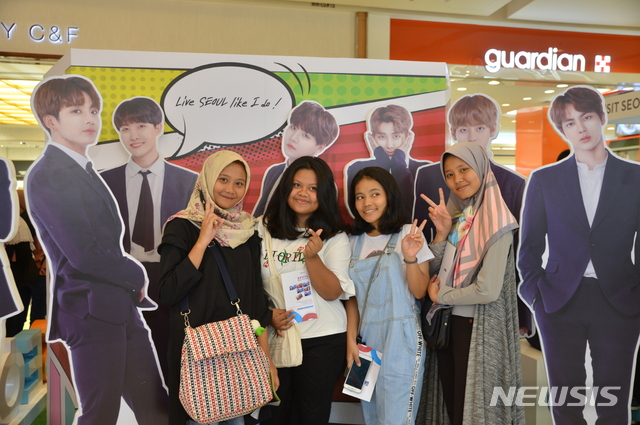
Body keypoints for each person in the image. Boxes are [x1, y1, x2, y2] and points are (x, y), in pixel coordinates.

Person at [25, 75, 168, 424]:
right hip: (89, 309)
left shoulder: (83, 169)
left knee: (156, 409)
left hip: (116, 305)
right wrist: (137, 273)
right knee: (101, 413)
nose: (90, 118)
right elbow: (84, 253)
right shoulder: (49, 173)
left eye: (93, 110)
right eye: (76, 110)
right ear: (51, 121)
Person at [518, 85, 640, 424]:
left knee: (613, 404)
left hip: (619, 300)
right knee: (566, 403)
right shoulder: (544, 180)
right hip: (558, 301)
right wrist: (536, 295)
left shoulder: (636, 178)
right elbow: (528, 248)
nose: (581, 128)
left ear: (601, 118)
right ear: (563, 130)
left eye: (586, 117)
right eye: (570, 123)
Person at [159, 150, 277, 425]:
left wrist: (267, 362)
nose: (230, 189)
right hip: (197, 356)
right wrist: (202, 240)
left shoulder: (247, 231)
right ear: (208, 179)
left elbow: (254, 302)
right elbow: (168, 292)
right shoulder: (181, 226)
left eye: (239, 183)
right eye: (223, 179)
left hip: (239, 354)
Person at [419, 142, 523, 425]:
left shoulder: (498, 223)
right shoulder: (459, 216)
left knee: (471, 410)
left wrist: (443, 296)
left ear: (481, 168)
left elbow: (487, 290)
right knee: (452, 406)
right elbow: (437, 270)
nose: (457, 180)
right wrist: (441, 234)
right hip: (448, 325)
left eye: (463, 169)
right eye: (449, 174)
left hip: (474, 328)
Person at [101, 96, 197, 378]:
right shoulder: (105, 182)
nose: (133, 135)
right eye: (125, 128)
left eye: (140, 125)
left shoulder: (188, 181)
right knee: (130, 365)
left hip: (173, 279)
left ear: (158, 128)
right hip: (125, 280)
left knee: (174, 361)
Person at [258, 156, 355, 425]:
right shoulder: (263, 229)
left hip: (323, 340)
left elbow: (333, 292)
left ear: (323, 194)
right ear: (286, 187)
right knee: (273, 415)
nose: (303, 193)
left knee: (311, 416)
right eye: (298, 185)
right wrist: (267, 315)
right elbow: (249, 284)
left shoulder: (334, 237)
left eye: (313, 188)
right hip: (277, 336)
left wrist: (312, 258)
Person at [345, 166, 433, 425]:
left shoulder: (409, 233)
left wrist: (410, 257)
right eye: (359, 197)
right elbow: (351, 299)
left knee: (396, 419)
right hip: (365, 341)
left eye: (375, 194)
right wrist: (351, 342)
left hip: (401, 338)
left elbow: (419, 291)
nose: (367, 203)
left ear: (389, 196)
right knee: (371, 417)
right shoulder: (352, 242)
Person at [413, 94, 524, 243]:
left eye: (479, 128)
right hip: (440, 261)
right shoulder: (428, 174)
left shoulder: (513, 183)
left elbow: (519, 240)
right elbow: (421, 230)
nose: (472, 137)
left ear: (492, 130)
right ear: (453, 133)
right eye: (464, 130)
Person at [253, 101, 339, 217]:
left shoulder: (324, 182)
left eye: (305, 135)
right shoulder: (274, 171)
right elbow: (260, 213)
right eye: (293, 127)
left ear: (320, 147)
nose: (293, 138)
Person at [345, 104, 430, 219]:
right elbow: (359, 211)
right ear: (372, 138)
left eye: (396, 136)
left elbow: (415, 210)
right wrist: (382, 162)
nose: (389, 145)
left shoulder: (424, 170)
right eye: (382, 137)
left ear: (407, 137)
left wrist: (398, 164)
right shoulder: (357, 168)